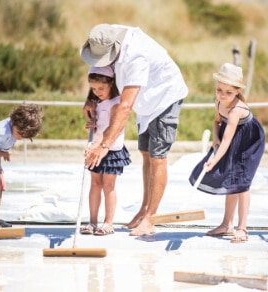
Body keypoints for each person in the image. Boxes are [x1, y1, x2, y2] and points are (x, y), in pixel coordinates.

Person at [80, 24, 188, 236]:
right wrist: (91, 99)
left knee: (158, 157)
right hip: (145, 102)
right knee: (146, 154)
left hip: (164, 97)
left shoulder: (135, 56)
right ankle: (143, 210)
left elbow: (125, 106)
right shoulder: (107, 34)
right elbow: (103, 76)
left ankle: (150, 218)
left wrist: (104, 145)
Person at [189, 63, 265, 243]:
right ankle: (226, 224)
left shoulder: (236, 110)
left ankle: (242, 228)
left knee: (242, 183)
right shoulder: (219, 102)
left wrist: (214, 161)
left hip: (248, 143)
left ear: (237, 91)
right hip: (228, 138)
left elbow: (228, 140)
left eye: (228, 92)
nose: (223, 95)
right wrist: (215, 137)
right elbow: (216, 122)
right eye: (219, 90)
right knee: (230, 180)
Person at [80, 66, 131, 236]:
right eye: (94, 89)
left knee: (108, 186)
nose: (97, 92)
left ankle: (108, 223)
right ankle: (92, 222)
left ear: (111, 83)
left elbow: (111, 128)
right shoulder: (98, 102)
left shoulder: (116, 103)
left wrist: (98, 143)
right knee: (94, 184)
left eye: (101, 88)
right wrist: (92, 125)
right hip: (96, 148)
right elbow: (100, 126)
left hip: (111, 150)